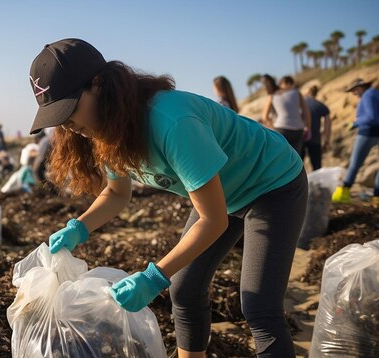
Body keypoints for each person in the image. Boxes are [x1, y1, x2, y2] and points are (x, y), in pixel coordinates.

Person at [28, 38, 307, 357]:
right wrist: (79, 227)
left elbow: (212, 220)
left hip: (272, 184)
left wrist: (152, 277)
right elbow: (116, 193)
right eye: (58, 117)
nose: (69, 125)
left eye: (70, 109)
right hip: (222, 196)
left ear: (98, 85)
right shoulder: (106, 130)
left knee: (259, 304)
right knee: (185, 289)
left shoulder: (172, 122)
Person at [332, 78, 379, 207]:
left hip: (367, 133)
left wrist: (355, 123)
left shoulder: (368, 95)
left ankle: (343, 194)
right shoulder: (376, 94)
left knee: (354, 163)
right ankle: (377, 198)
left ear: (361, 87)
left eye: (354, 90)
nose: (353, 93)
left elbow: (371, 117)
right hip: (376, 132)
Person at [261, 75, 311, 156]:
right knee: (296, 158)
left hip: (281, 129)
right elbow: (306, 112)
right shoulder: (297, 93)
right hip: (298, 129)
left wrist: (273, 128)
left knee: (283, 158)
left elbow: (264, 117)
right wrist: (308, 128)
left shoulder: (272, 95)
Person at [302, 85, 331, 171]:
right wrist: (326, 140)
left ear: (307, 92)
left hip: (300, 137)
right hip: (315, 138)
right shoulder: (321, 106)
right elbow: (327, 125)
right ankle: (318, 183)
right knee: (317, 167)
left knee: (297, 165)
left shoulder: (299, 104)